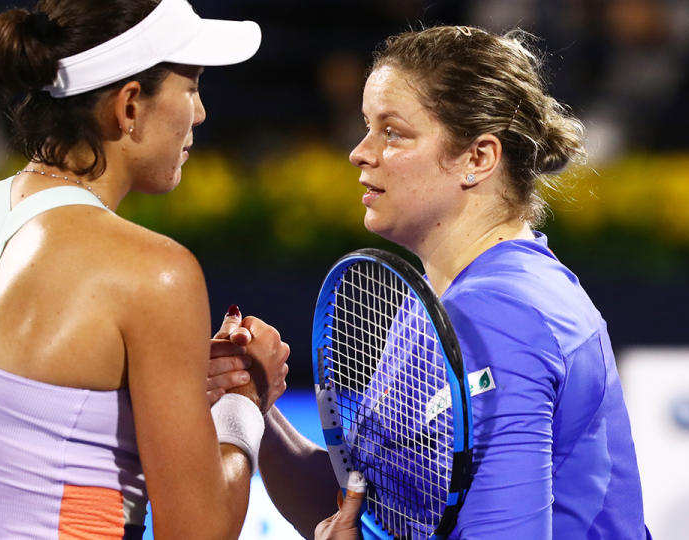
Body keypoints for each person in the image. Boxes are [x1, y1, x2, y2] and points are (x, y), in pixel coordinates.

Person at [0, 1, 291, 538]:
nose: (200, 113)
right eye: (192, 86)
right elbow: (199, 532)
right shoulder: (155, 274)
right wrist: (242, 406)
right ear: (130, 105)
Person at [214, 25, 649, 539]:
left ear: (477, 158)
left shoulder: (503, 315)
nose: (360, 152)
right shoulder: (452, 297)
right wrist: (256, 406)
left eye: (392, 132)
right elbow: (365, 512)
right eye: (367, 127)